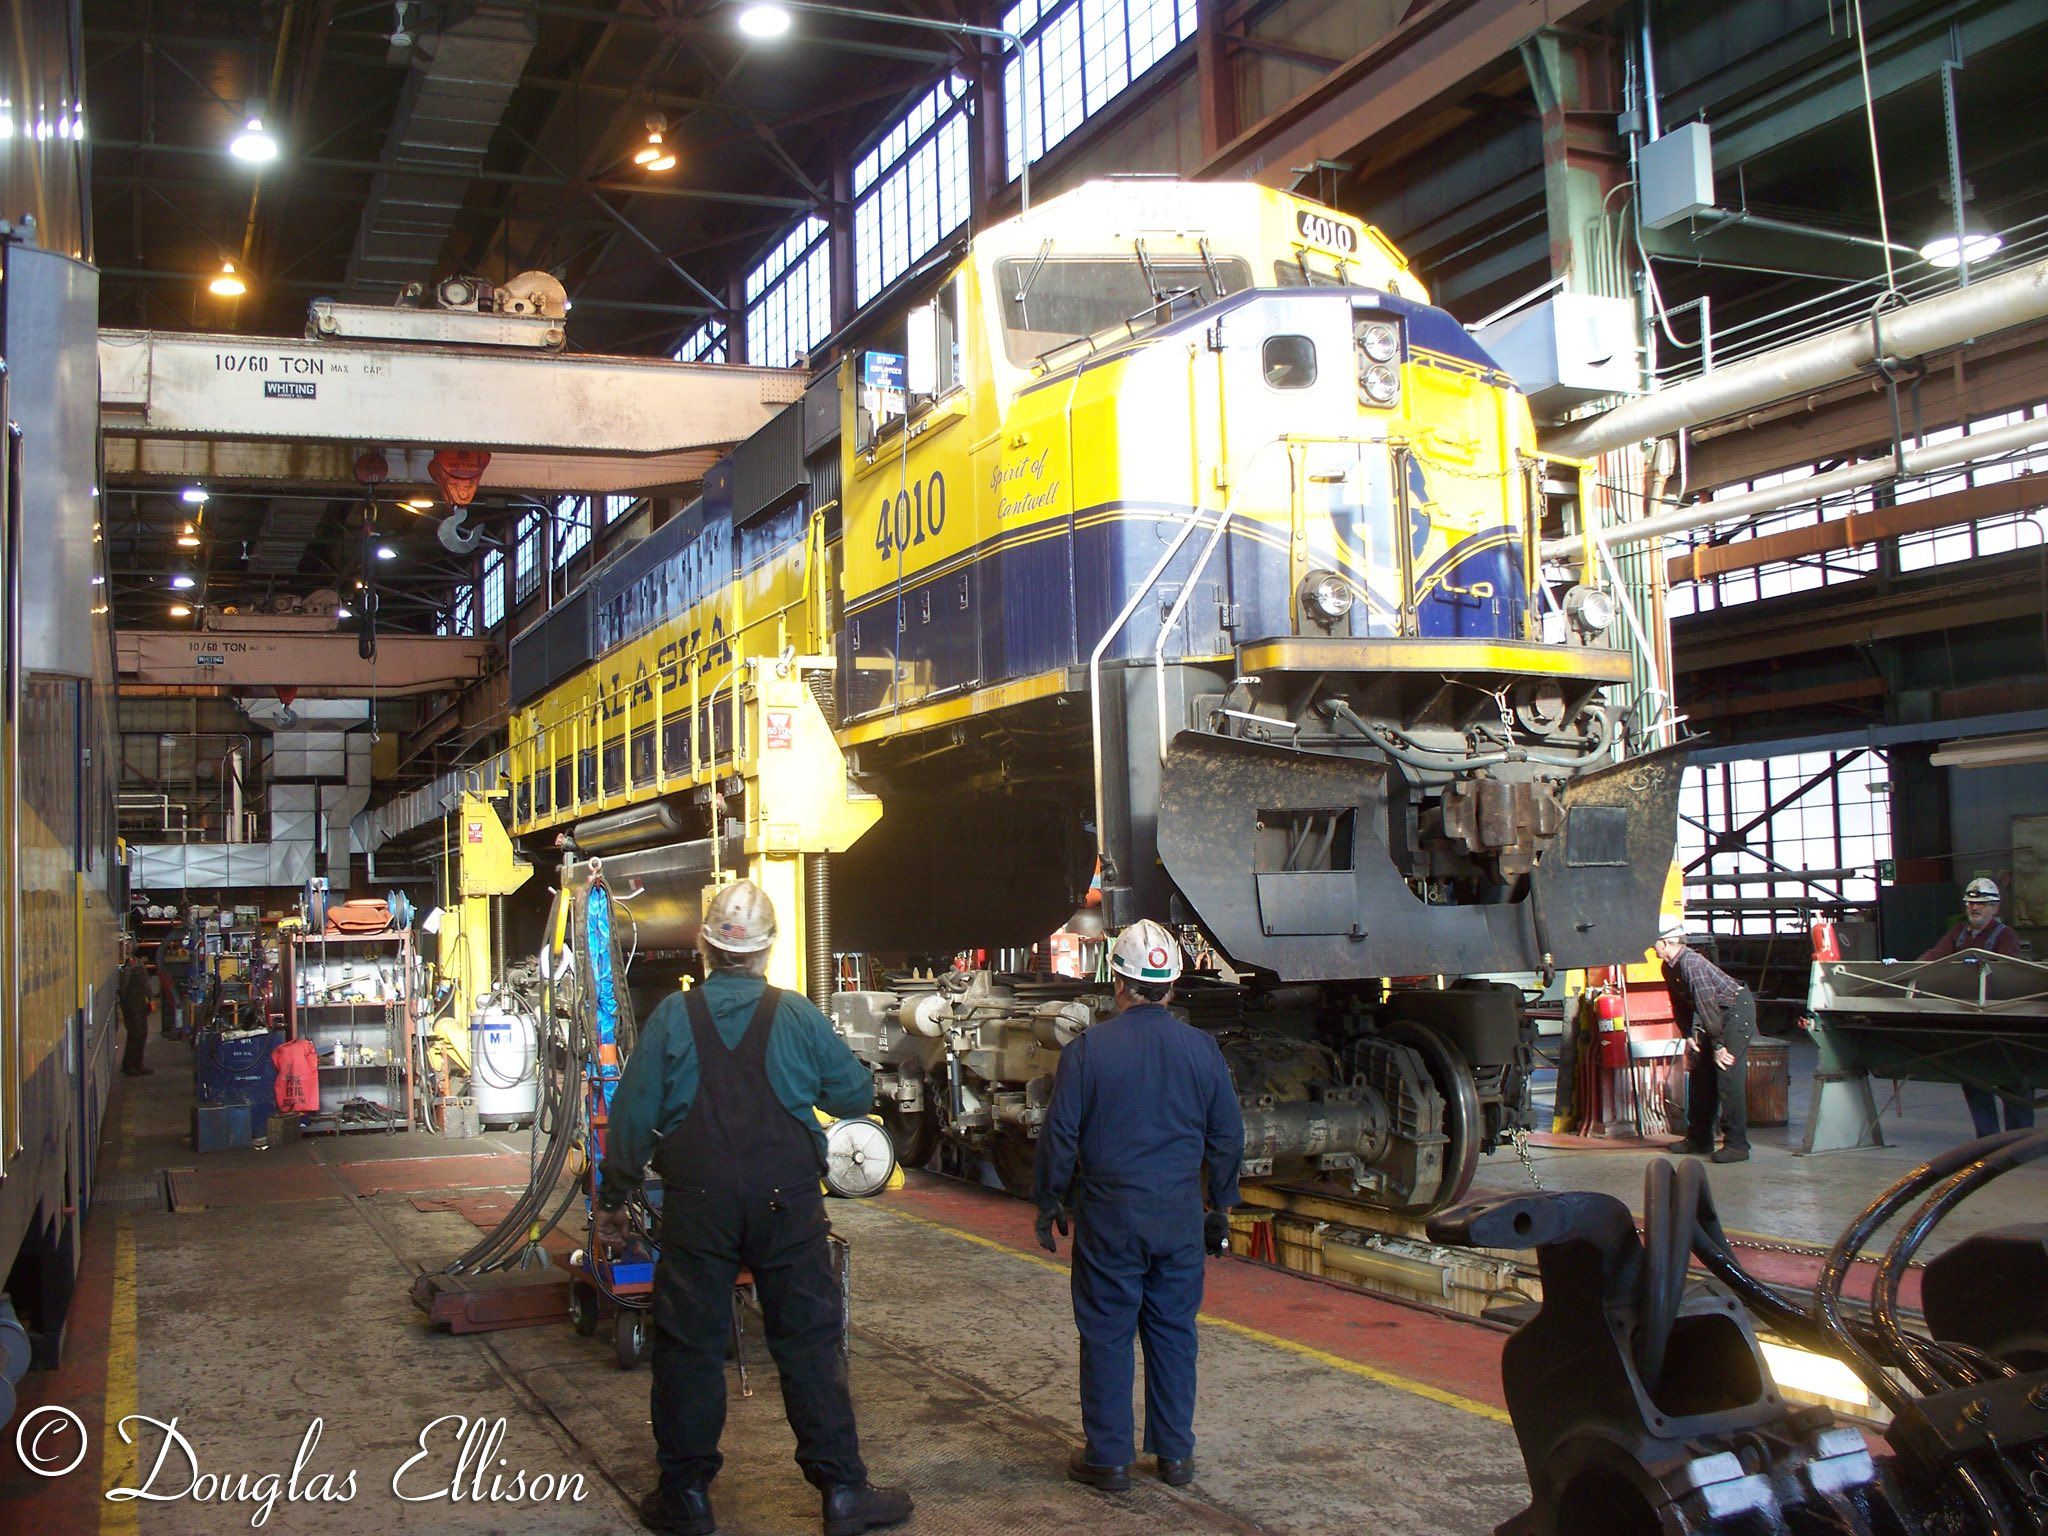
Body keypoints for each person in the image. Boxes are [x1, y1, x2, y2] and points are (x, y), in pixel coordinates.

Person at [595, 879, 911, 1536]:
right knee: (808, 1345)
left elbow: (630, 1117)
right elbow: (854, 1094)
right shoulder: (794, 1014)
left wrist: (616, 1199)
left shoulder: (674, 1019)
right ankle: (843, 1494)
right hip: (786, 1204)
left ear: (704, 948)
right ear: (766, 953)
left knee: (688, 1347)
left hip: (698, 1206)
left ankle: (686, 1498)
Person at [1031, 919, 1245, 1492]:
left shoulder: (1087, 1050)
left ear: (1119, 983)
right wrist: (1221, 1204)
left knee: (1106, 1332)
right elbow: (1228, 1136)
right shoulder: (1202, 1050)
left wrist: (1050, 1200)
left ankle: (1109, 1460)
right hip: (1178, 1214)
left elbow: (1060, 1136)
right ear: (1171, 986)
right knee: (1174, 1332)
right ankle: (1175, 1457)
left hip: (1109, 1216)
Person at [1917, 877, 2033, 1136]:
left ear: (1994, 908)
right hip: (1970, 1022)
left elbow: (2008, 973)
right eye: (1970, 903)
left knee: (2012, 1083)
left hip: (2001, 1023)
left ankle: (2019, 1141)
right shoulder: (1957, 934)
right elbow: (1934, 957)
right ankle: (1986, 1140)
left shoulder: (2006, 937)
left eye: (1981, 904)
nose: (1974, 908)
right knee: (1974, 1080)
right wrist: (1912, 970)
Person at [1653, 918, 1756, 1164]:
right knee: (1701, 1074)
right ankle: (1699, 1138)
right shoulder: (1669, 967)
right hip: (1717, 1017)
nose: (1651, 947)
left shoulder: (1692, 964)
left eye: (1654, 942)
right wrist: (1688, 1035)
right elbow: (1679, 1003)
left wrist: (1718, 1046)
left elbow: (1707, 1004)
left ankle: (1737, 1145)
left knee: (1726, 1073)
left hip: (1734, 1013)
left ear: (1666, 942)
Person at [116, 941, 154, 1077]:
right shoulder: (123, 965)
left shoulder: (137, 962)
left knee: (142, 1033)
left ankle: (138, 1064)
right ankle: (128, 1065)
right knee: (135, 1033)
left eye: (130, 944)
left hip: (140, 1002)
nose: (128, 946)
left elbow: (146, 982)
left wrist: (150, 1000)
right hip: (130, 1003)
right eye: (125, 945)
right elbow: (122, 987)